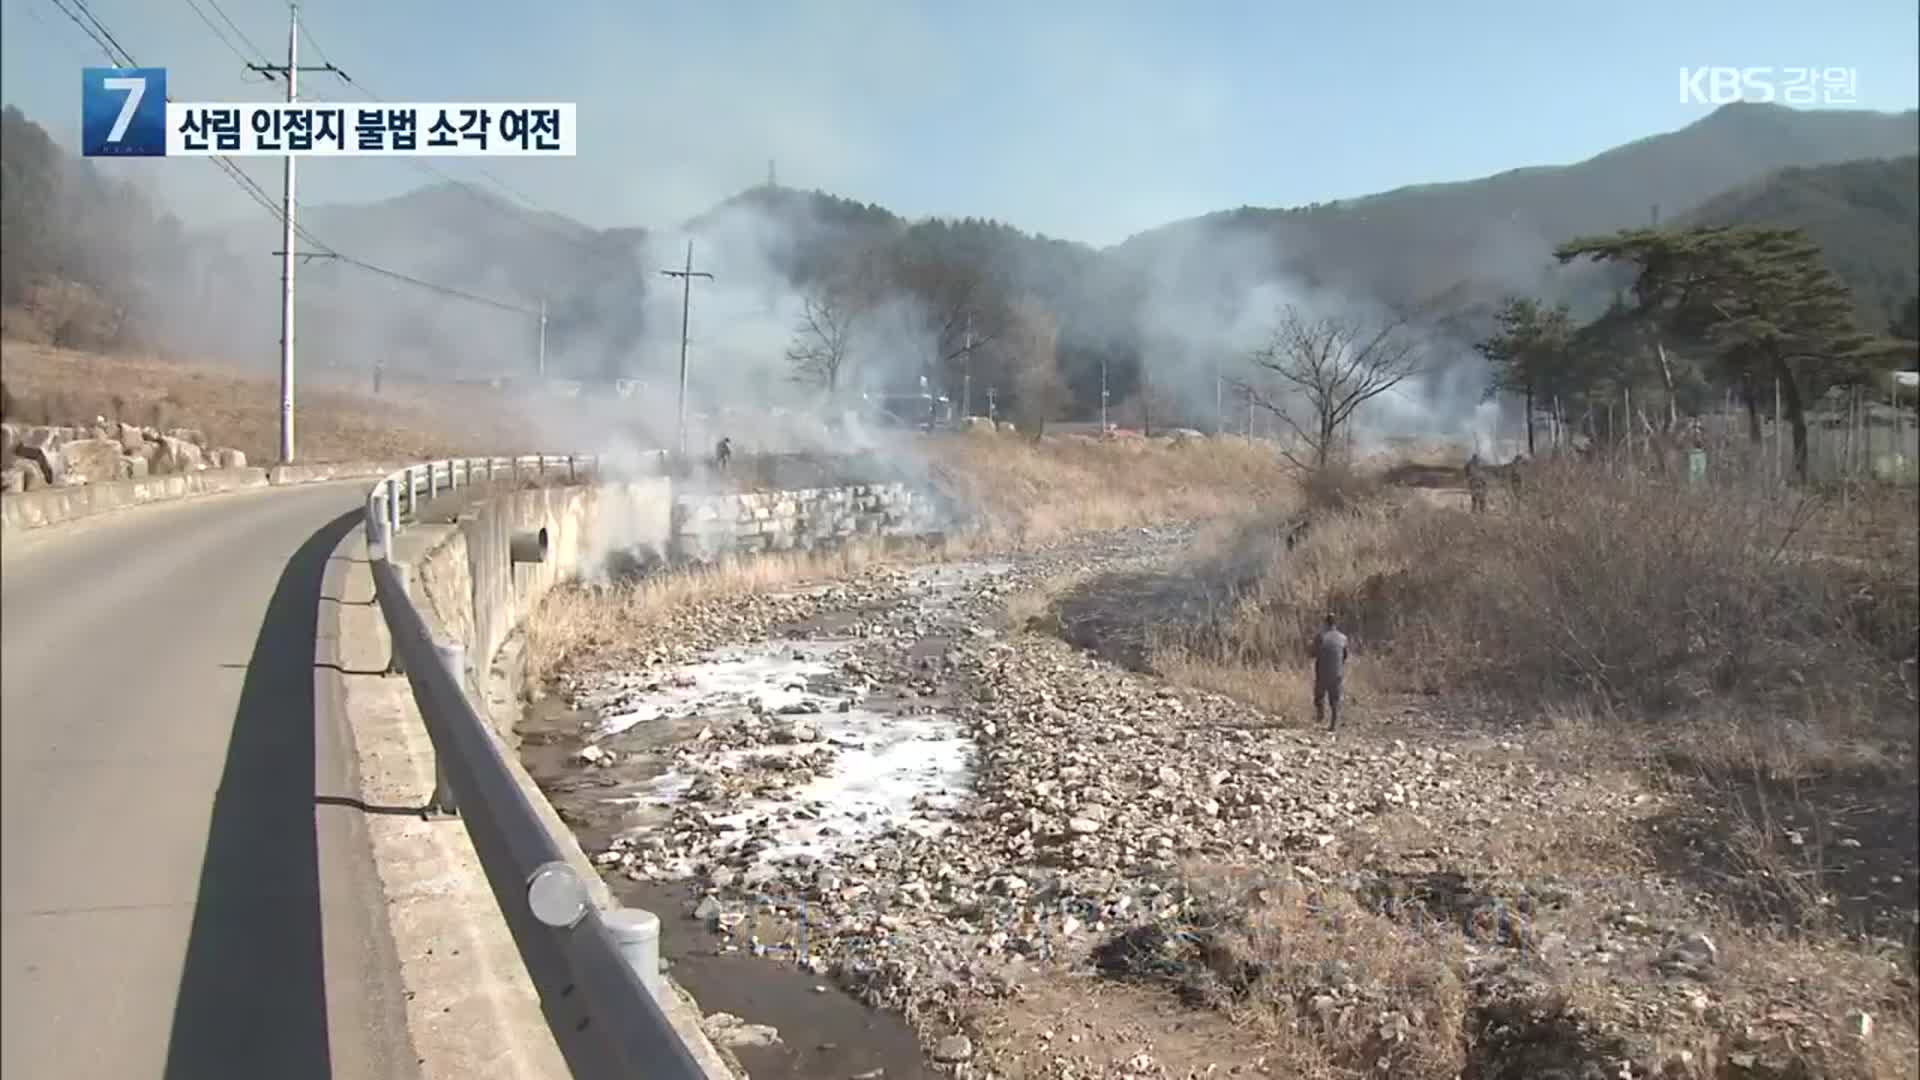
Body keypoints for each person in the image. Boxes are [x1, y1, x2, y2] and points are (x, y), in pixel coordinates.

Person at [1310, 613, 1349, 732]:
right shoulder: (1343, 638)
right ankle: (1333, 724)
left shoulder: (1321, 636)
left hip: (1322, 672)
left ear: (1325, 623)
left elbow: (1312, 653)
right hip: (1337, 672)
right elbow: (1345, 655)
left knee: (1318, 696)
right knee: (1335, 700)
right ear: (1336, 624)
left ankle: (1320, 716)